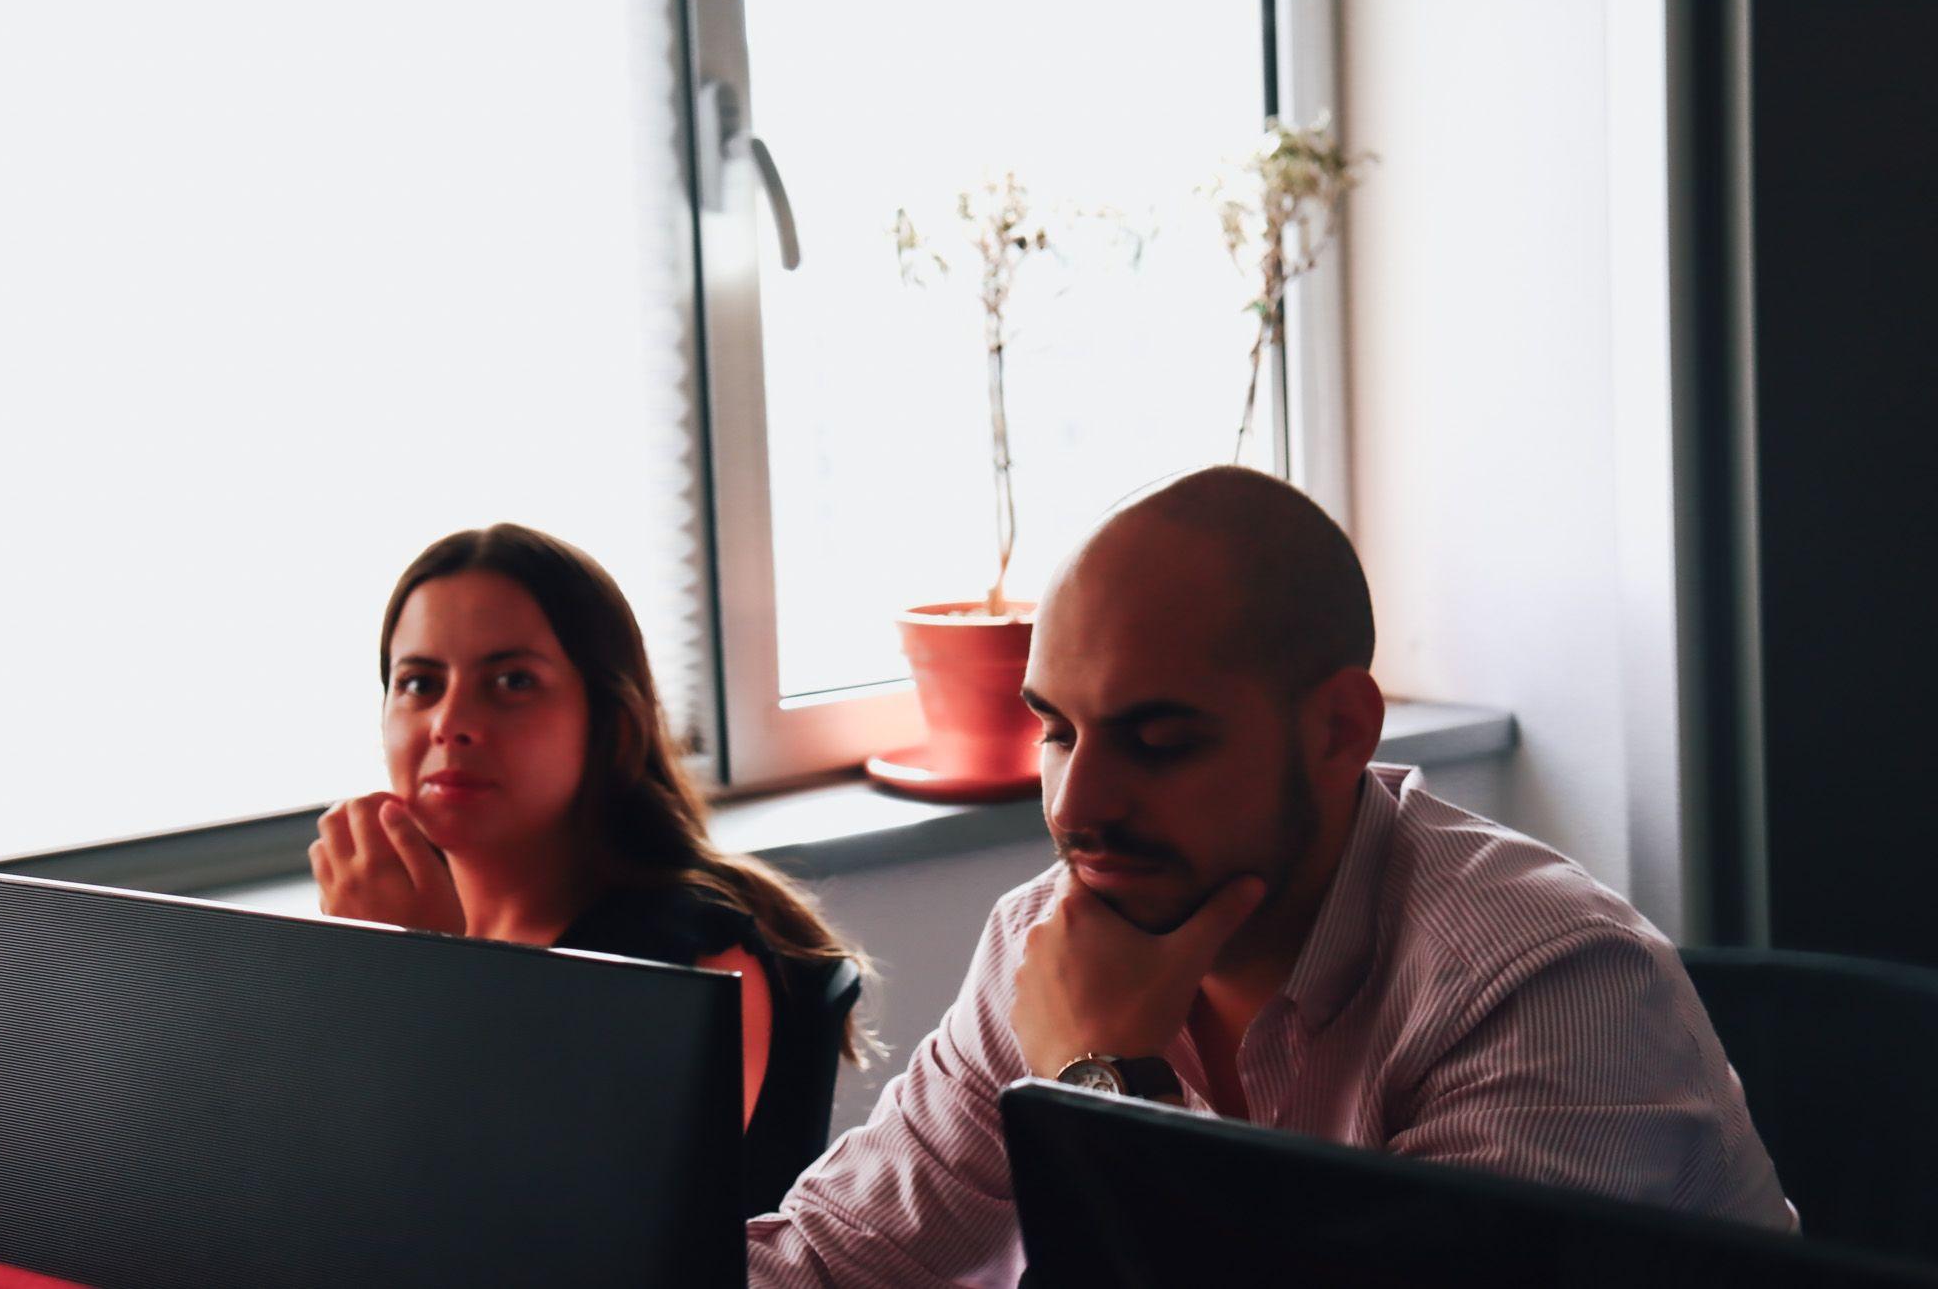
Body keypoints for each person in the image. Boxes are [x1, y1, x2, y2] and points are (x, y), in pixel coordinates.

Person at [746, 466, 1790, 1286]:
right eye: (1057, 732)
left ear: (1338, 729)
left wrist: (1101, 1088)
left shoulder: (1544, 988)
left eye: (1157, 740)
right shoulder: (1052, 945)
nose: (1075, 808)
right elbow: (839, 1260)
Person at [308, 523, 868, 1214]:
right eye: (420, 682)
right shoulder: (387, 923)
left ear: (608, 717)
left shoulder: (694, 963)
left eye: (512, 681)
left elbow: (549, 1235)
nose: (450, 721)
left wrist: (417, 981)